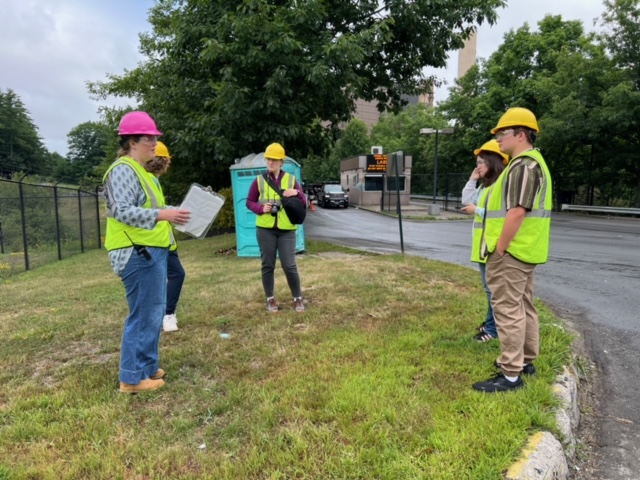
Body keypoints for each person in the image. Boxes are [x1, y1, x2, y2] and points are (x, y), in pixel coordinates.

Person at [103, 112, 191, 394]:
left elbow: (149, 210)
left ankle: (148, 366)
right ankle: (131, 378)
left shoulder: (142, 172)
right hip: (135, 251)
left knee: (153, 310)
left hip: (150, 251)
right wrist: (164, 214)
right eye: (148, 138)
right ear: (131, 141)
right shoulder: (123, 170)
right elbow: (122, 210)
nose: (154, 143)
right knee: (143, 313)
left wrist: (169, 214)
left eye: (155, 137)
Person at [472, 107, 553, 393]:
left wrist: (501, 249)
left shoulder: (523, 166)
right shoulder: (530, 164)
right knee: (524, 306)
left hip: (511, 253)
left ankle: (510, 374)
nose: (498, 139)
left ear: (520, 134)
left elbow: (517, 212)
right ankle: (525, 361)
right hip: (524, 250)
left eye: (502, 133)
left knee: (507, 309)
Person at [246, 143, 307, 313]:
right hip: (265, 229)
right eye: (268, 159)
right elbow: (249, 202)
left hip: (287, 229)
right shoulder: (259, 180)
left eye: (274, 159)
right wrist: (261, 208)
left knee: (289, 265)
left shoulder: (291, 180)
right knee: (268, 265)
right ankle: (270, 299)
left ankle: (298, 298)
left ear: (281, 162)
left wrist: (296, 193)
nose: (270, 162)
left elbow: (303, 201)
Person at [461, 140, 508, 342]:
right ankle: (490, 324)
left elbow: (503, 214)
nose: (478, 166)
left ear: (492, 162)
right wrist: (472, 180)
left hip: (492, 246)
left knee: (493, 290)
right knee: (489, 289)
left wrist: (477, 210)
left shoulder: (500, 185)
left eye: (481, 162)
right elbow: (466, 201)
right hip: (482, 246)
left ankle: (493, 329)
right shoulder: (485, 186)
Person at [144, 141, 185, 333]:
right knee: (168, 277)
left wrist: (175, 212)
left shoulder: (153, 181)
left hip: (165, 240)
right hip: (153, 242)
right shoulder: (147, 180)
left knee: (174, 274)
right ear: (163, 161)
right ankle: (166, 315)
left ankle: (165, 315)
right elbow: (151, 212)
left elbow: (158, 209)